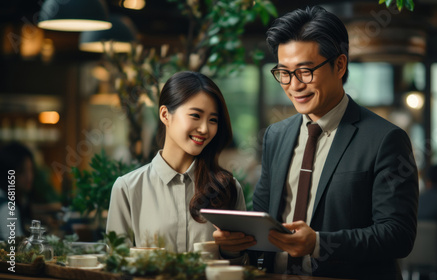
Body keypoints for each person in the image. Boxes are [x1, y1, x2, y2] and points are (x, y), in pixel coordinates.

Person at [213, 6, 419, 279]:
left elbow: (398, 235)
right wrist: (234, 246)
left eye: (305, 71)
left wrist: (319, 244)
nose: (294, 85)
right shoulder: (276, 135)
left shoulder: (385, 139)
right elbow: (264, 222)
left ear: (340, 65)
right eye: (284, 73)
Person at [106, 71, 246, 252]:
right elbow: (115, 265)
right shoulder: (127, 188)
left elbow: (242, 268)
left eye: (213, 120)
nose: (204, 129)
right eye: (196, 115)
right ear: (165, 115)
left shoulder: (228, 188)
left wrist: (231, 251)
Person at [0, 142, 35, 240]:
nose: (29, 177)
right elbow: (16, 248)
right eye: (22, 171)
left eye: (31, 170)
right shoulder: (6, 207)